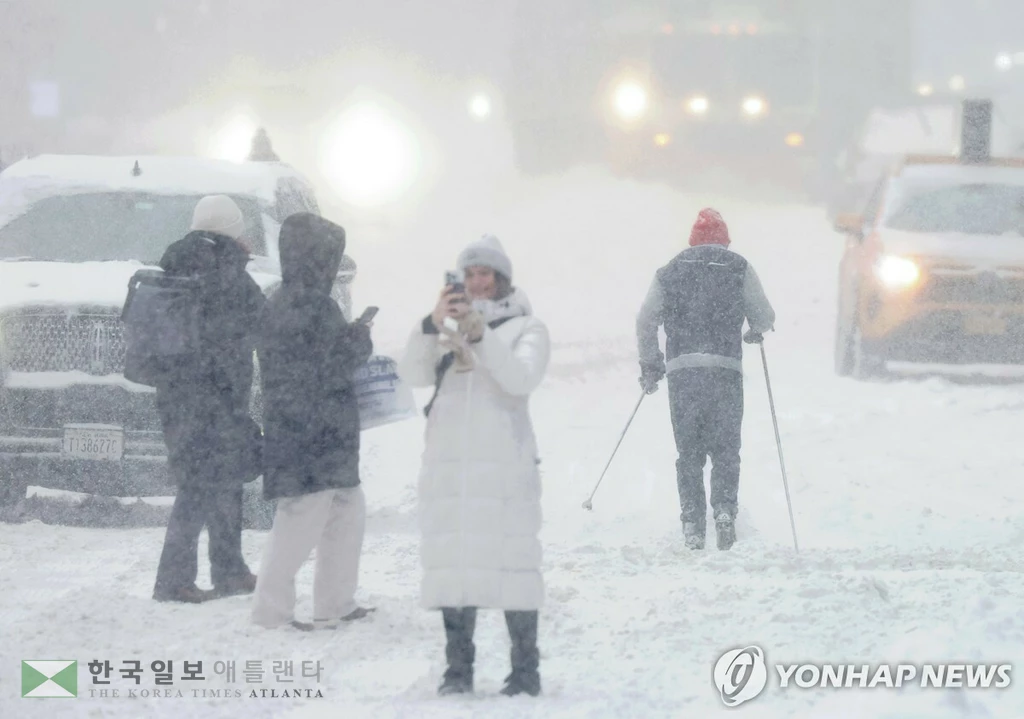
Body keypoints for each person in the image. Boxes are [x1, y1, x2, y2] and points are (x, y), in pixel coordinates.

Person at [397, 234, 551, 697]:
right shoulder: (448, 330)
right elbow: (413, 375)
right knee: (454, 564)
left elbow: (519, 379)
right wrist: (431, 323)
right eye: (469, 274)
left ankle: (525, 670)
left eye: (485, 273)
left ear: (501, 279)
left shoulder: (528, 328)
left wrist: (482, 337)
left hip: (503, 462)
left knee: (515, 564)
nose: (477, 282)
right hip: (452, 464)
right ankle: (457, 668)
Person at [250, 212, 375, 631]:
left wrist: (349, 340)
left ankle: (336, 602)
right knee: (299, 524)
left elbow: (315, 363)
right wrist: (358, 342)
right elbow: (327, 366)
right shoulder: (309, 305)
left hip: (318, 433)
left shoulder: (288, 300)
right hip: (311, 435)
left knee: (345, 510)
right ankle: (271, 612)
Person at [635, 208, 776, 551]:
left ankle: (692, 522)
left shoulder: (669, 271)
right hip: (724, 370)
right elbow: (763, 314)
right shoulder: (738, 266)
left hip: (684, 372)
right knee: (726, 449)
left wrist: (652, 363)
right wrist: (755, 331)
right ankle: (725, 511)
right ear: (725, 241)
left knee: (689, 452)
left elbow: (645, 319)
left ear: (692, 242)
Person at [152, 195, 265, 603]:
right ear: (232, 228)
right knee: (206, 484)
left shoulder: (173, 266)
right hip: (219, 395)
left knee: (212, 479)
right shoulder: (228, 269)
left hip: (176, 394)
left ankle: (228, 570)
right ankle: (175, 580)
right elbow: (263, 323)